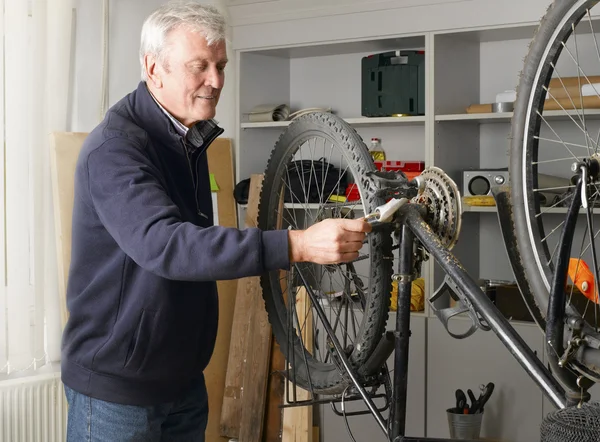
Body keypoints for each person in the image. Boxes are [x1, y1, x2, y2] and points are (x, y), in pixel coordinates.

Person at [61, 2, 371, 441]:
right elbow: (167, 246)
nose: (216, 81)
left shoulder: (186, 138)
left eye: (221, 65)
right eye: (199, 66)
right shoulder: (115, 150)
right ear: (154, 68)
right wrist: (295, 245)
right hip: (118, 394)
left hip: (183, 382)